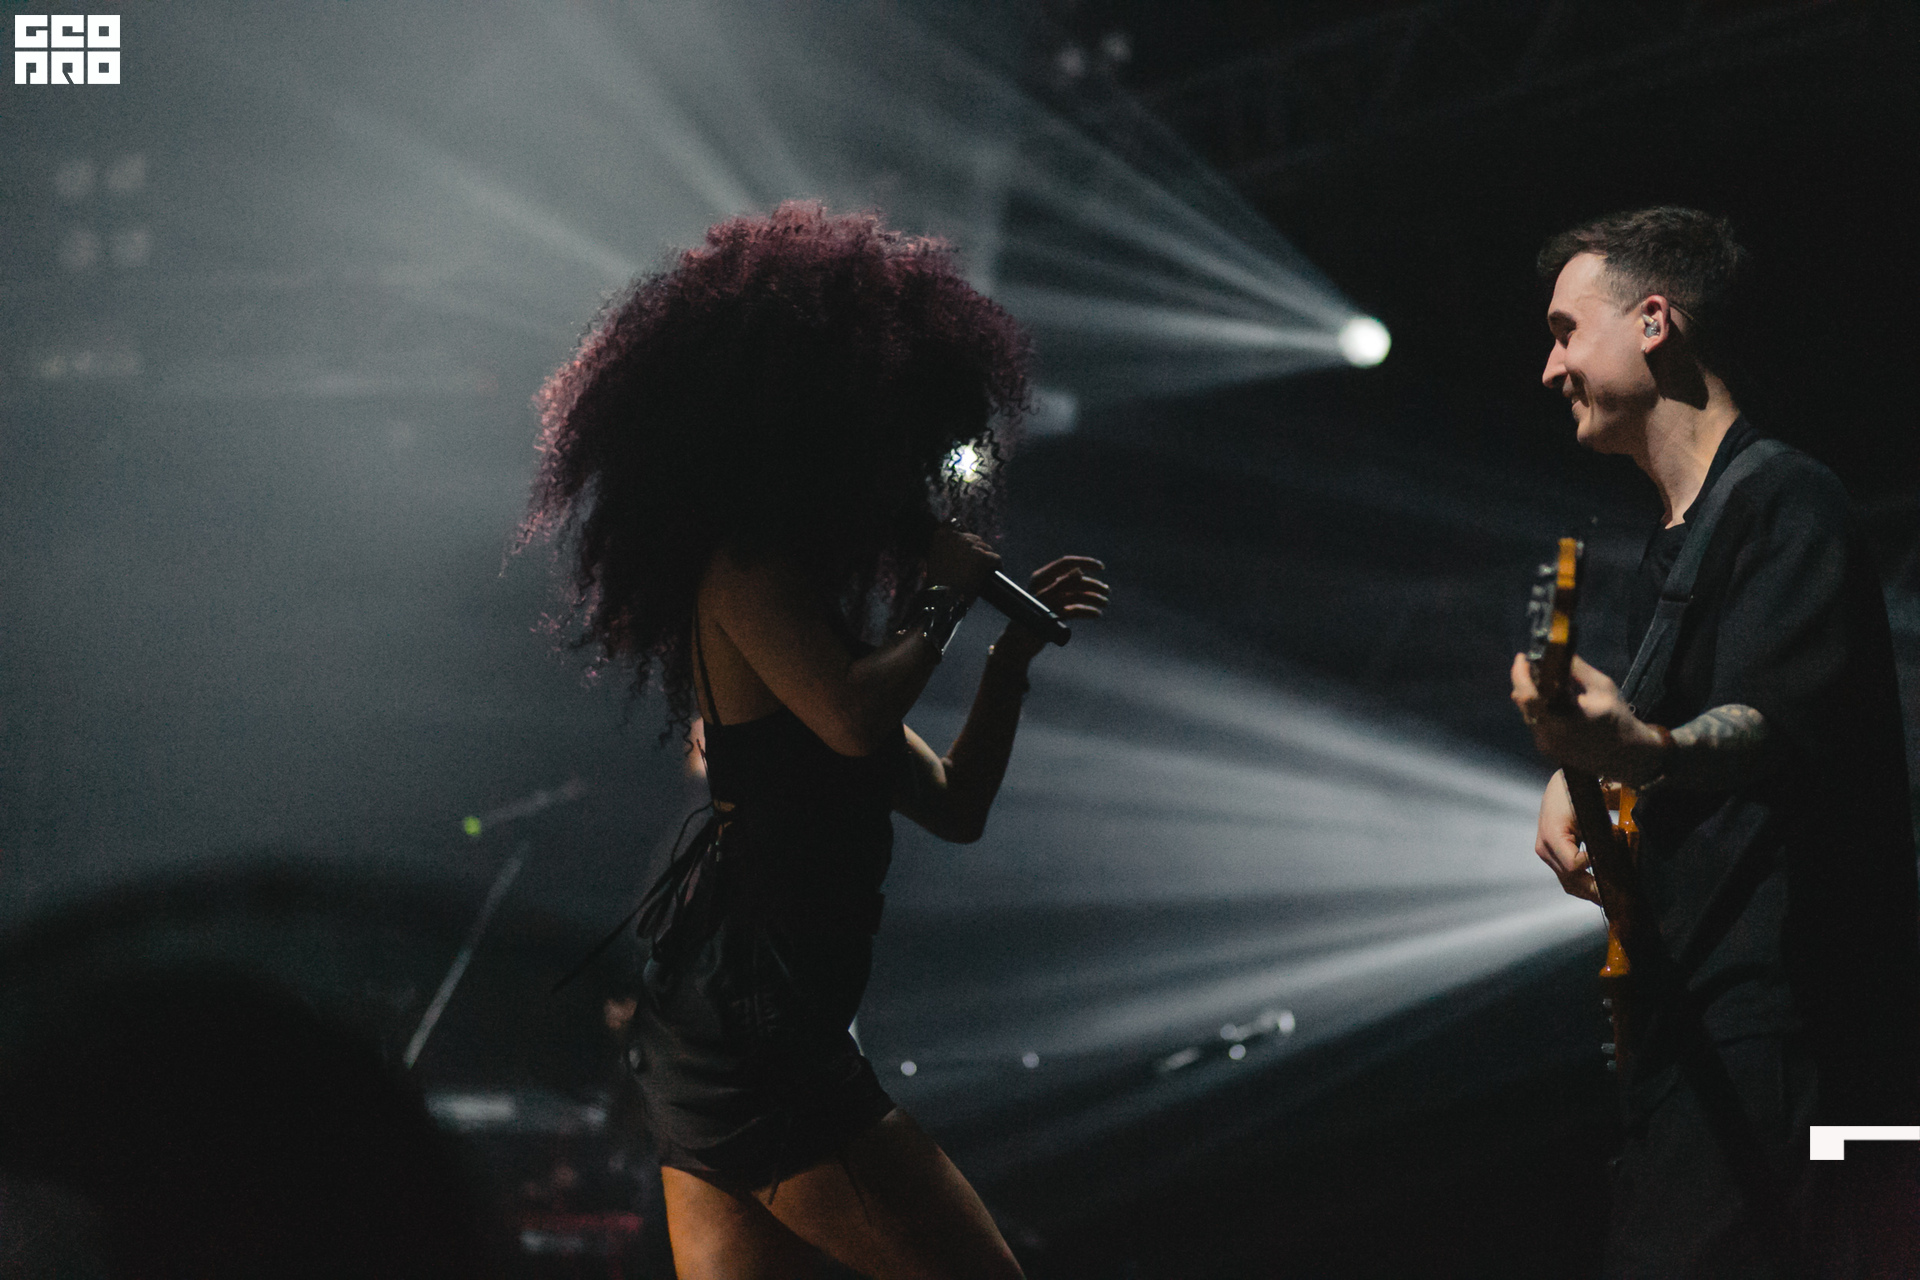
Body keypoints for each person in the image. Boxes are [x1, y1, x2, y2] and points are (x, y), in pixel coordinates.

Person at [521, 201, 1107, 1279]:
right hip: (755, 1031)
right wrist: (939, 601)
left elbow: (954, 804)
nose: (913, 482)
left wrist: (1006, 664)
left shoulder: (811, 611)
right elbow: (852, 713)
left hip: (749, 1022)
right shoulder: (747, 572)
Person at [1508, 206, 1920, 1277]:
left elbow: (1763, 730)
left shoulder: (1784, 497)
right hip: (1702, 1038)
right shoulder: (1672, 554)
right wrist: (1584, 773)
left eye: (1565, 331)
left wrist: (1636, 748)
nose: (1549, 366)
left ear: (1654, 321)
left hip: (1788, 1040)